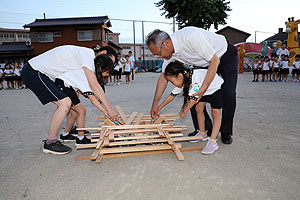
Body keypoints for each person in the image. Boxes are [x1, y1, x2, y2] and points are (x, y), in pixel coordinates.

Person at [146, 27, 238, 144]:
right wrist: (155, 104)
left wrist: (202, 90)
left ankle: (226, 131)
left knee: (228, 93)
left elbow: (214, 61)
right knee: (190, 93)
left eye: (158, 53)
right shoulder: (170, 52)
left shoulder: (190, 37)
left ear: (165, 44)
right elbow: (163, 78)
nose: (159, 57)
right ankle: (204, 128)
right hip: (204, 62)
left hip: (223, 56)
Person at [21, 45, 118, 155]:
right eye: (108, 62)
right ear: (103, 52)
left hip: (45, 75)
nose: (106, 67)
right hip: (34, 71)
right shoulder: (88, 55)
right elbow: (94, 86)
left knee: (74, 107)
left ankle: (68, 132)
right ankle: (50, 142)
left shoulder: (85, 62)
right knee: (65, 103)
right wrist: (109, 110)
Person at [161, 61, 223, 154]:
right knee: (199, 108)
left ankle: (213, 141)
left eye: (172, 81)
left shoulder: (195, 79)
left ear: (180, 76)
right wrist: (158, 108)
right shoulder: (184, 79)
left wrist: (184, 111)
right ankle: (202, 133)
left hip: (216, 87)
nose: (173, 84)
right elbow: (171, 96)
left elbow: (193, 100)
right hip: (203, 90)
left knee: (215, 113)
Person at [55, 54, 114, 144]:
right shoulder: (88, 75)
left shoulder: (89, 72)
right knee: (82, 111)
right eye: (108, 72)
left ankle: (65, 134)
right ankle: (81, 138)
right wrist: (105, 111)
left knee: (75, 113)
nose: (108, 75)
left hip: (65, 84)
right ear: (101, 68)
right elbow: (92, 99)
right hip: (64, 85)